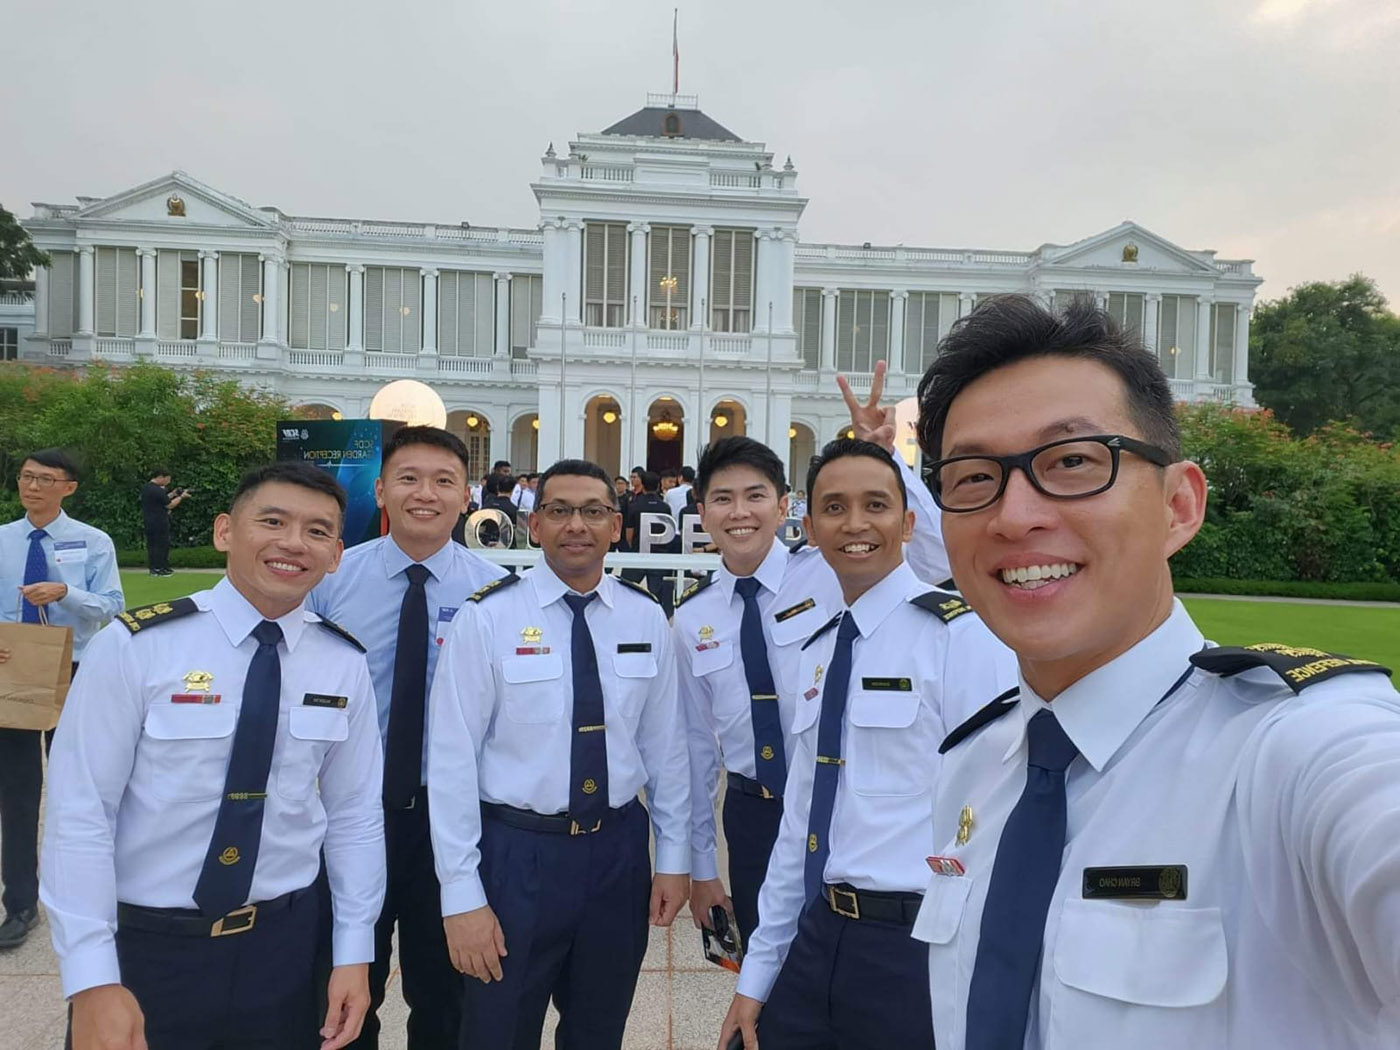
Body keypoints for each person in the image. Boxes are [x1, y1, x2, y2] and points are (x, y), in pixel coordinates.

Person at [911, 295, 1400, 1049]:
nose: (1014, 516)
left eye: (1071, 461)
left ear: (1179, 505)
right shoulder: (972, 771)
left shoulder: (1293, 753)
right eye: (974, 477)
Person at [41, 461, 386, 1050]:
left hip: (285, 946)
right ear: (226, 531)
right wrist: (91, 978)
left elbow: (354, 814)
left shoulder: (343, 662)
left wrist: (353, 951)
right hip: (150, 948)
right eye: (272, 521)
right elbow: (81, 814)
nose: (292, 543)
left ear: (336, 555)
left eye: (318, 531)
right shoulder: (138, 647)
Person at [717, 439, 1015, 1050]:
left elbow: (1002, 812)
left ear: (908, 523)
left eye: (875, 505)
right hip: (817, 934)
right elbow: (800, 819)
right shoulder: (821, 647)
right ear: (809, 525)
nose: (855, 524)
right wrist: (758, 972)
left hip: (917, 948)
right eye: (834, 507)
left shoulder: (963, 639)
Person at [682, 371, 956, 954]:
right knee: (766, 958)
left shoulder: (831, 564)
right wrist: (701, 864)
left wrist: (885, 459)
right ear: (701, 512)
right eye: (723, 499)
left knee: (851, 952)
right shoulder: (691, 619)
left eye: (756, 496)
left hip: (847, 796)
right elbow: (695, 751)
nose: (741, 513)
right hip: (753, 812)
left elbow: (936, 555)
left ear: (785, 506)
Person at [428, 458, 691, 1050]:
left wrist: (671, 856)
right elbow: (450, 763)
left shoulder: (646, 617)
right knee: (496, 1031)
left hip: (617, 854)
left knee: (598, 1031)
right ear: (536, 525)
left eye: (594, 511)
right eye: (560, 510)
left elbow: (667, 749)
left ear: (616, 525)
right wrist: (462, 894)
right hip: (516, 857)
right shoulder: (487, 617)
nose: (578, 524)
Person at [310, 426, 507, 1050]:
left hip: (448, 821)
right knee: (340, 993)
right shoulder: (332, 580)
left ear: (466, 494)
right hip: (347, 814)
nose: (426, 493)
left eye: (444, 480)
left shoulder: (496, 591)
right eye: (410, 478)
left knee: (446, 993)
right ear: (382, 489)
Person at [0, 448, 123, 951]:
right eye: (27, 477)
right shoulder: (4, 539)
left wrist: (65, 593)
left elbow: (112, 607)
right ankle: (21, 903)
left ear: (68, 487)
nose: (32, 487)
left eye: (45, 479)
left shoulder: (92, 542)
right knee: (17, 791)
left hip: (75, 670)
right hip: (15, 670)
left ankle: (92, 893)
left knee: (81, 786)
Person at [625, 470, 679, 616]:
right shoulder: (664, 507)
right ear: (658, 485)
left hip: (638, 554)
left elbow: (629, 534)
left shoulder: (635, 506)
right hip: (658, 555)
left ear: (642, 484)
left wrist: (633, 547)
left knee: (625, 588)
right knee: (657, 596)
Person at [140, 469, 189, 577]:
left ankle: (154, 568)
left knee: (152, 545)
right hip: (159, 521)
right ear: (161, 477)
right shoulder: (157, 490)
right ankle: (161, 567)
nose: (168, 482)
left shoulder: (147, 488)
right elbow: (169, 505)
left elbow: (163, 499)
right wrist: (181, 497)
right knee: (161, 544)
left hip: (149, 521)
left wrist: (173, 494)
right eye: (167, 479)